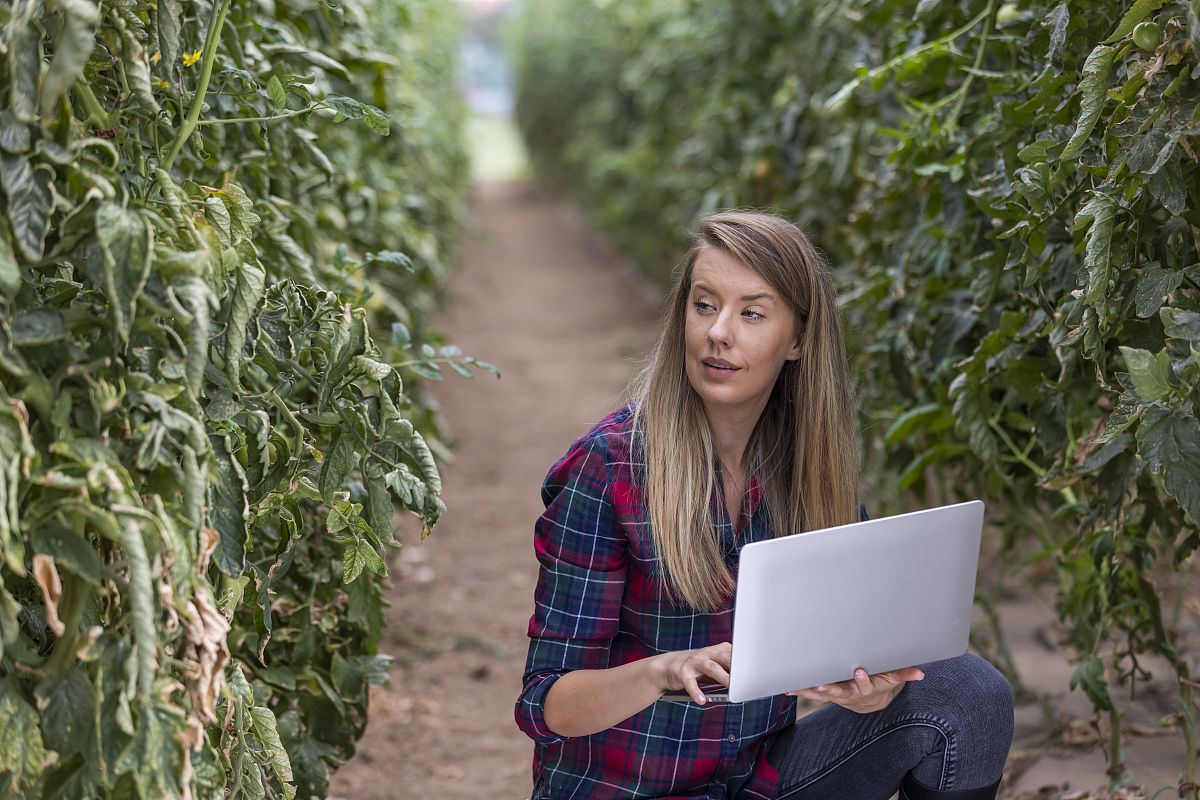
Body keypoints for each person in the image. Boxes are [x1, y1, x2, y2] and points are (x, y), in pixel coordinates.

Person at [515, 211, 1014, 799]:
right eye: (704, 305)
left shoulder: (804, 470)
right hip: (625, 789)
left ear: (798, 340)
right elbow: (545, 703)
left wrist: (875, 686)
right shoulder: (611, 468)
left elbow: (865, 644)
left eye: (751, 313)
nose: (718, 332)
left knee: (967, 692)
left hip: (755, 784)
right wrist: (660, 673)